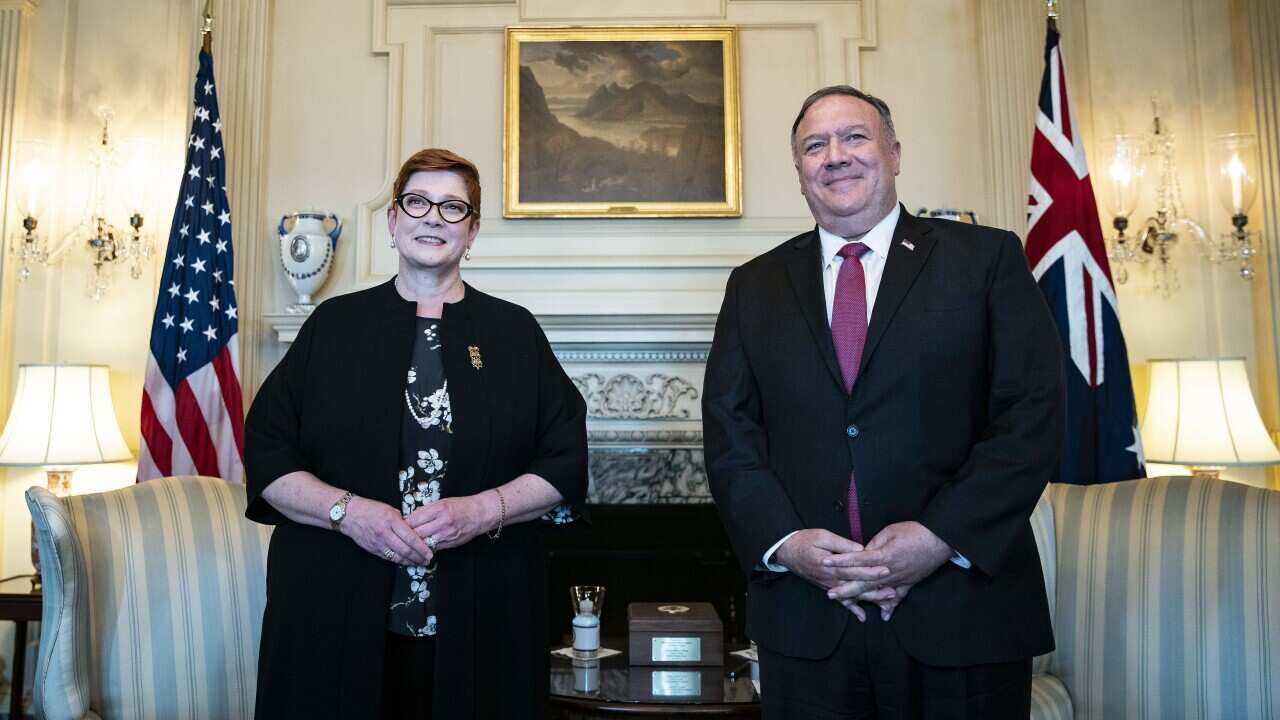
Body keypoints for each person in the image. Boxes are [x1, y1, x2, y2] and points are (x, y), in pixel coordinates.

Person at [702, 85, 1065, 718]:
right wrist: (787, 544)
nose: (834, 156)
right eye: (814, 146)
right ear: (799, 173)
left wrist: (935, 538)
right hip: (810, 625)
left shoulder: (984, 260)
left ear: (894, 154)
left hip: (961, 615)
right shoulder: (753, 286)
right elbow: (730, 436)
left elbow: (1031, 415)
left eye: (854, 137)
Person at [245, 148, 588, 719]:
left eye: (454, 208)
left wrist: (483, 510)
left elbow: (566, 462)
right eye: (418, 202)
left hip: (482, 618)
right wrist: (348, 512)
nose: (433, 217)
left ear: (473, 231)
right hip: (332, 611)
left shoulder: (514, 333)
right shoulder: (333, 326)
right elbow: (267, 454)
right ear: (393, 220)